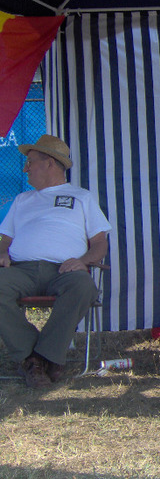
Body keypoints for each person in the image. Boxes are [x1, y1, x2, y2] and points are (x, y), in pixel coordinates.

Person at [0, 135, 111, 388]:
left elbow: (100, 244)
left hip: (63, 270)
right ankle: (36, 358)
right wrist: (2, 251)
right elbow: (4, 239)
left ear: (49, 163)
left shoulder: (81, 197)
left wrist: (83, 261)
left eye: (30, 162)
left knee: (84, 286)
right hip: (21, 270)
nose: (25, 168)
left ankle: (39, 357)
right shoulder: (22, 200)